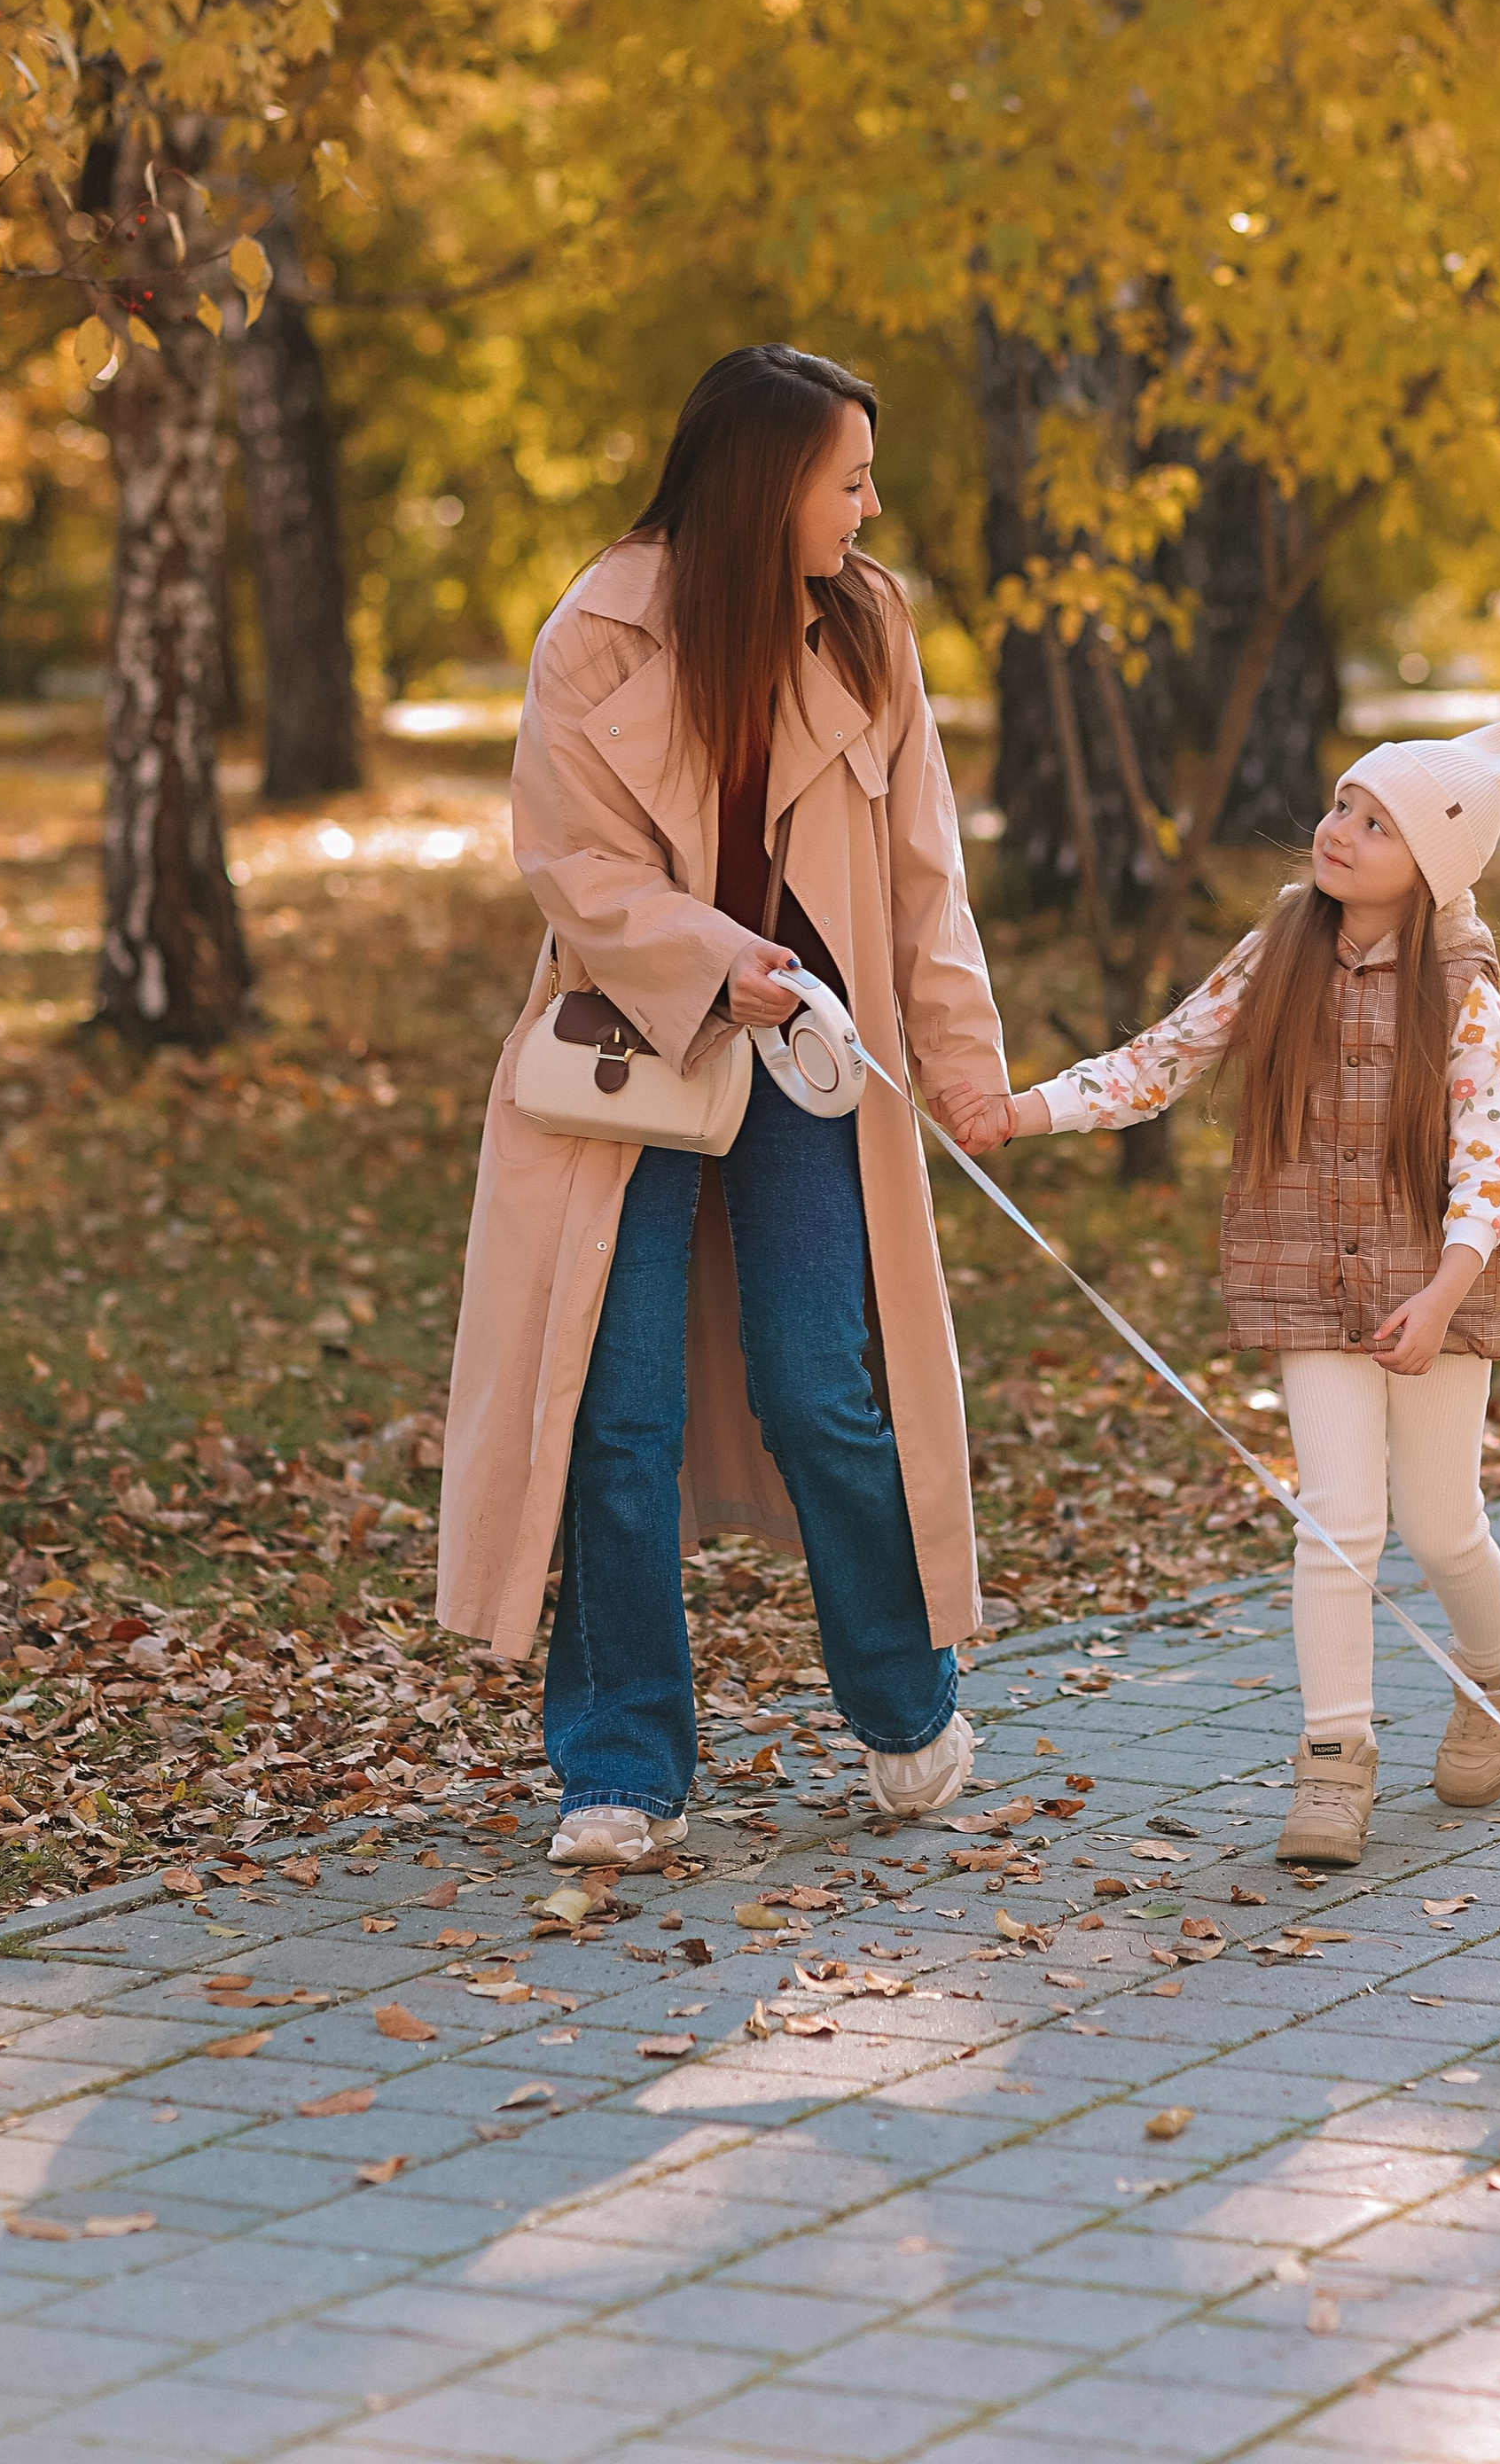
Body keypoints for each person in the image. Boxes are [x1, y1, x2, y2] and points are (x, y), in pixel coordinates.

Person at [436, 345, 1011, 1869]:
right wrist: (718, 958)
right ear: (769, 488)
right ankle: (618, 1764)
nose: (870, 504)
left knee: (819, 1373)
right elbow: (576, 867)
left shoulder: (868, 624)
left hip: (816, 1057)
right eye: (849, 477)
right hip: (638, 1050)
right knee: (612, 1406)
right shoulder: (597, 633)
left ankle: (903, 1703)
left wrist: (962, 1059)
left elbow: (923, 874)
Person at [952, 724, 1500, 1866]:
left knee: (1439, 1523)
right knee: (1340, 1522)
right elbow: (1161, 1060)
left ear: (1431, 864)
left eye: (1378, 825)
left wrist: (1443, 1290)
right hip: (1306, 1273)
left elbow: (1494, 1160)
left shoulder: (1463, 991)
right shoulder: (1278, 948)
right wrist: (1021, 1112)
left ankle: (1498, 1669)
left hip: (1435, 1283)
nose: (1339, 833)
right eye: (1340, 807)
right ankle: (1334, 1759)